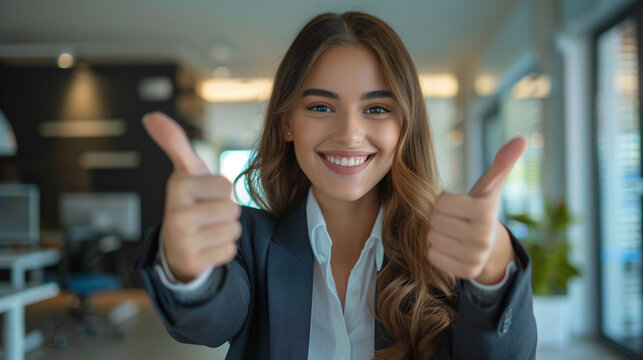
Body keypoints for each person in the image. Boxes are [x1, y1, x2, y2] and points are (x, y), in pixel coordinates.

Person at [135, 11, 537, 360]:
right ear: (288, 122)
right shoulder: (247, 244)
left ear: (405, 127)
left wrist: (495, 271)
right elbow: (206, 323)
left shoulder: (447, 254)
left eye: (376, 109)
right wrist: (190, 270)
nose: (349, 133)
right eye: (321, 107)